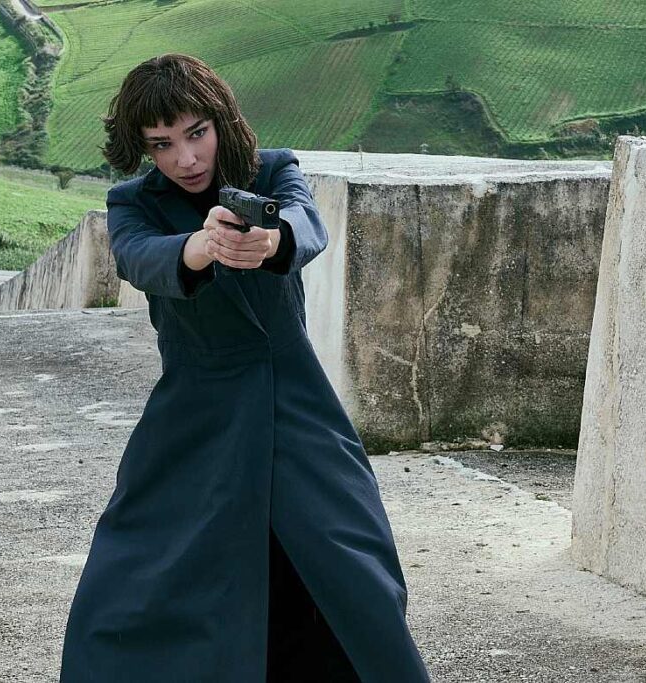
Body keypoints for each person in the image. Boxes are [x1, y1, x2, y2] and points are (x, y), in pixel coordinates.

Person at [59, 53, 431, 683]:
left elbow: (306, 224)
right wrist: (201, 246)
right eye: (162, 144)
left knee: (352, 564)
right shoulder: (132, 202)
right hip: (193, 411)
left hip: (293, 397)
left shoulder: (272, 170)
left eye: (196, 133)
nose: (185, 159)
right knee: (134, 578)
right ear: (142, 147)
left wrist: (271, 240)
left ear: (220, 120)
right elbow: (138, 258)